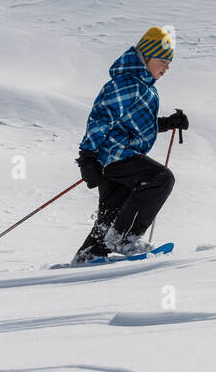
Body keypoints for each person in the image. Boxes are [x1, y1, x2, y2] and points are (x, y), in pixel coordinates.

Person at [71, 26, 189, 264]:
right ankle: (126, 238)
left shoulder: (142, 86)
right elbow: (101, 119)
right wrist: (87, 157)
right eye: (162, 61)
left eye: (169, 63)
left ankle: (90, 253)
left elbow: (132, 124)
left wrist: (167, 123)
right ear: (145, 57)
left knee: (113, 211)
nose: (166, 68)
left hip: (116, 156)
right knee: (161, 179)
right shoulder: (127, 84)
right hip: (115, 155)